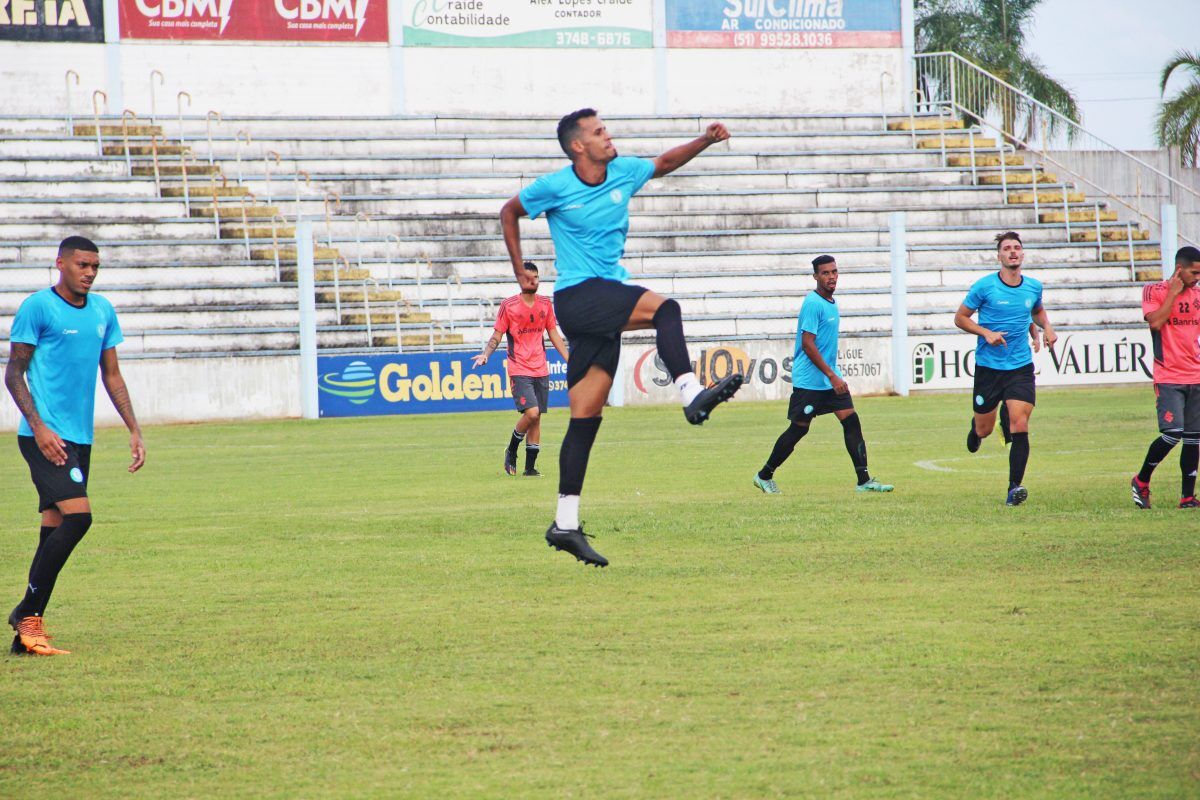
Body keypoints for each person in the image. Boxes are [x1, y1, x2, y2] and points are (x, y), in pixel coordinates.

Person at [499, 108, 744, 567]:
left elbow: (665, 163)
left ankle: (564, 524)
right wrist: (518, 268)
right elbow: (509, 212)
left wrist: (704, 141)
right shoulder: (555, 186)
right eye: (598, 132)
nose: (607, 137)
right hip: (577, 297)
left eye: (605, 129)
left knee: (585, 420)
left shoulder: (624, 171)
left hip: (601, 307)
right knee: (666, 310)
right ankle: (690, 393)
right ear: (578, 145)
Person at [4, 236, 145, 656]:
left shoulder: (103, 310)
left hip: (81, 438)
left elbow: (113, 375)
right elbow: (14, 373)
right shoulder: (38, 308)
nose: (89, 272)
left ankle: (26, 634)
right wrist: (39, 426)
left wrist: (134, 429)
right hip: (44, 437)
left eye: (95, 267)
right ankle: (27, 612)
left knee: (52, 528)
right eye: (82, 264)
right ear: (60, 263)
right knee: (79, 518)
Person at [752, 255, 893, 495]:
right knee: (799, 429)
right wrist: (832, 375)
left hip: (829, 379)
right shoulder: (813, 303)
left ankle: (864, 481)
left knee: (851, 421)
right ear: (815, 276)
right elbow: (808, 344)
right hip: (810, 380)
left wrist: (832, 376)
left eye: (834, 272)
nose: (831, 277)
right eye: (825, 273)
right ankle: (764, 475)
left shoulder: (831, 302)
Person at [954, 231, 1056, 506]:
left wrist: (1043, 329)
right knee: (984, 430)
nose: (1013, 252)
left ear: (1022, 254)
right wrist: (985, 332)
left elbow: (1035, 310)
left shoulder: (1033, 286)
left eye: (1017, 248)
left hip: (1020, 366)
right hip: (989, 367)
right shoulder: (984, 287)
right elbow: (960, 318)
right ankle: (977, 431)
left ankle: (1014, 489)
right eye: (1007, 248)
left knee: (1020, 423)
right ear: (999, 256)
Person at [471, 261, 569, 477]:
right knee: (531, 412)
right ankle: (512, 448)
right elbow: (497, 335)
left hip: (541, 368)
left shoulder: (545, 304)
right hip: (519, 368)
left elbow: (553, 334)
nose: (532, 282)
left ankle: (530, 468)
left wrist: (569, 358)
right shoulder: (509, 306)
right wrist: (486, 354)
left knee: (537, 417)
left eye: (535, 278)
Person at [1130, 245, 1200, 510]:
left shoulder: (1198, 296)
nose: (1197, 278)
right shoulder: (1154, 291)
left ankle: (1187, 498)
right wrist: (1173, 293)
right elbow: (1156, 323)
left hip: (1195, 374)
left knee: (1194, 438)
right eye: (1194, 273)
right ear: (1180, 269)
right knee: (1173, 434)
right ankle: (1141, 480)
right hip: (1169, 375)